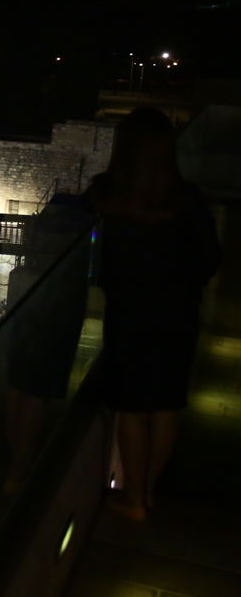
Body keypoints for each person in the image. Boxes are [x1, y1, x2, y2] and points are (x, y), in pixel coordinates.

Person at [87, 107, 220, 521]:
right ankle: (147, 491)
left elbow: (94, 258)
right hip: (178, 314)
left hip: (130, 312)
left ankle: (134, 498)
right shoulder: (188, 199)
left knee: (131, 405)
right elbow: (210, 258)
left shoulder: (106, 195)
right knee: (165, 405)